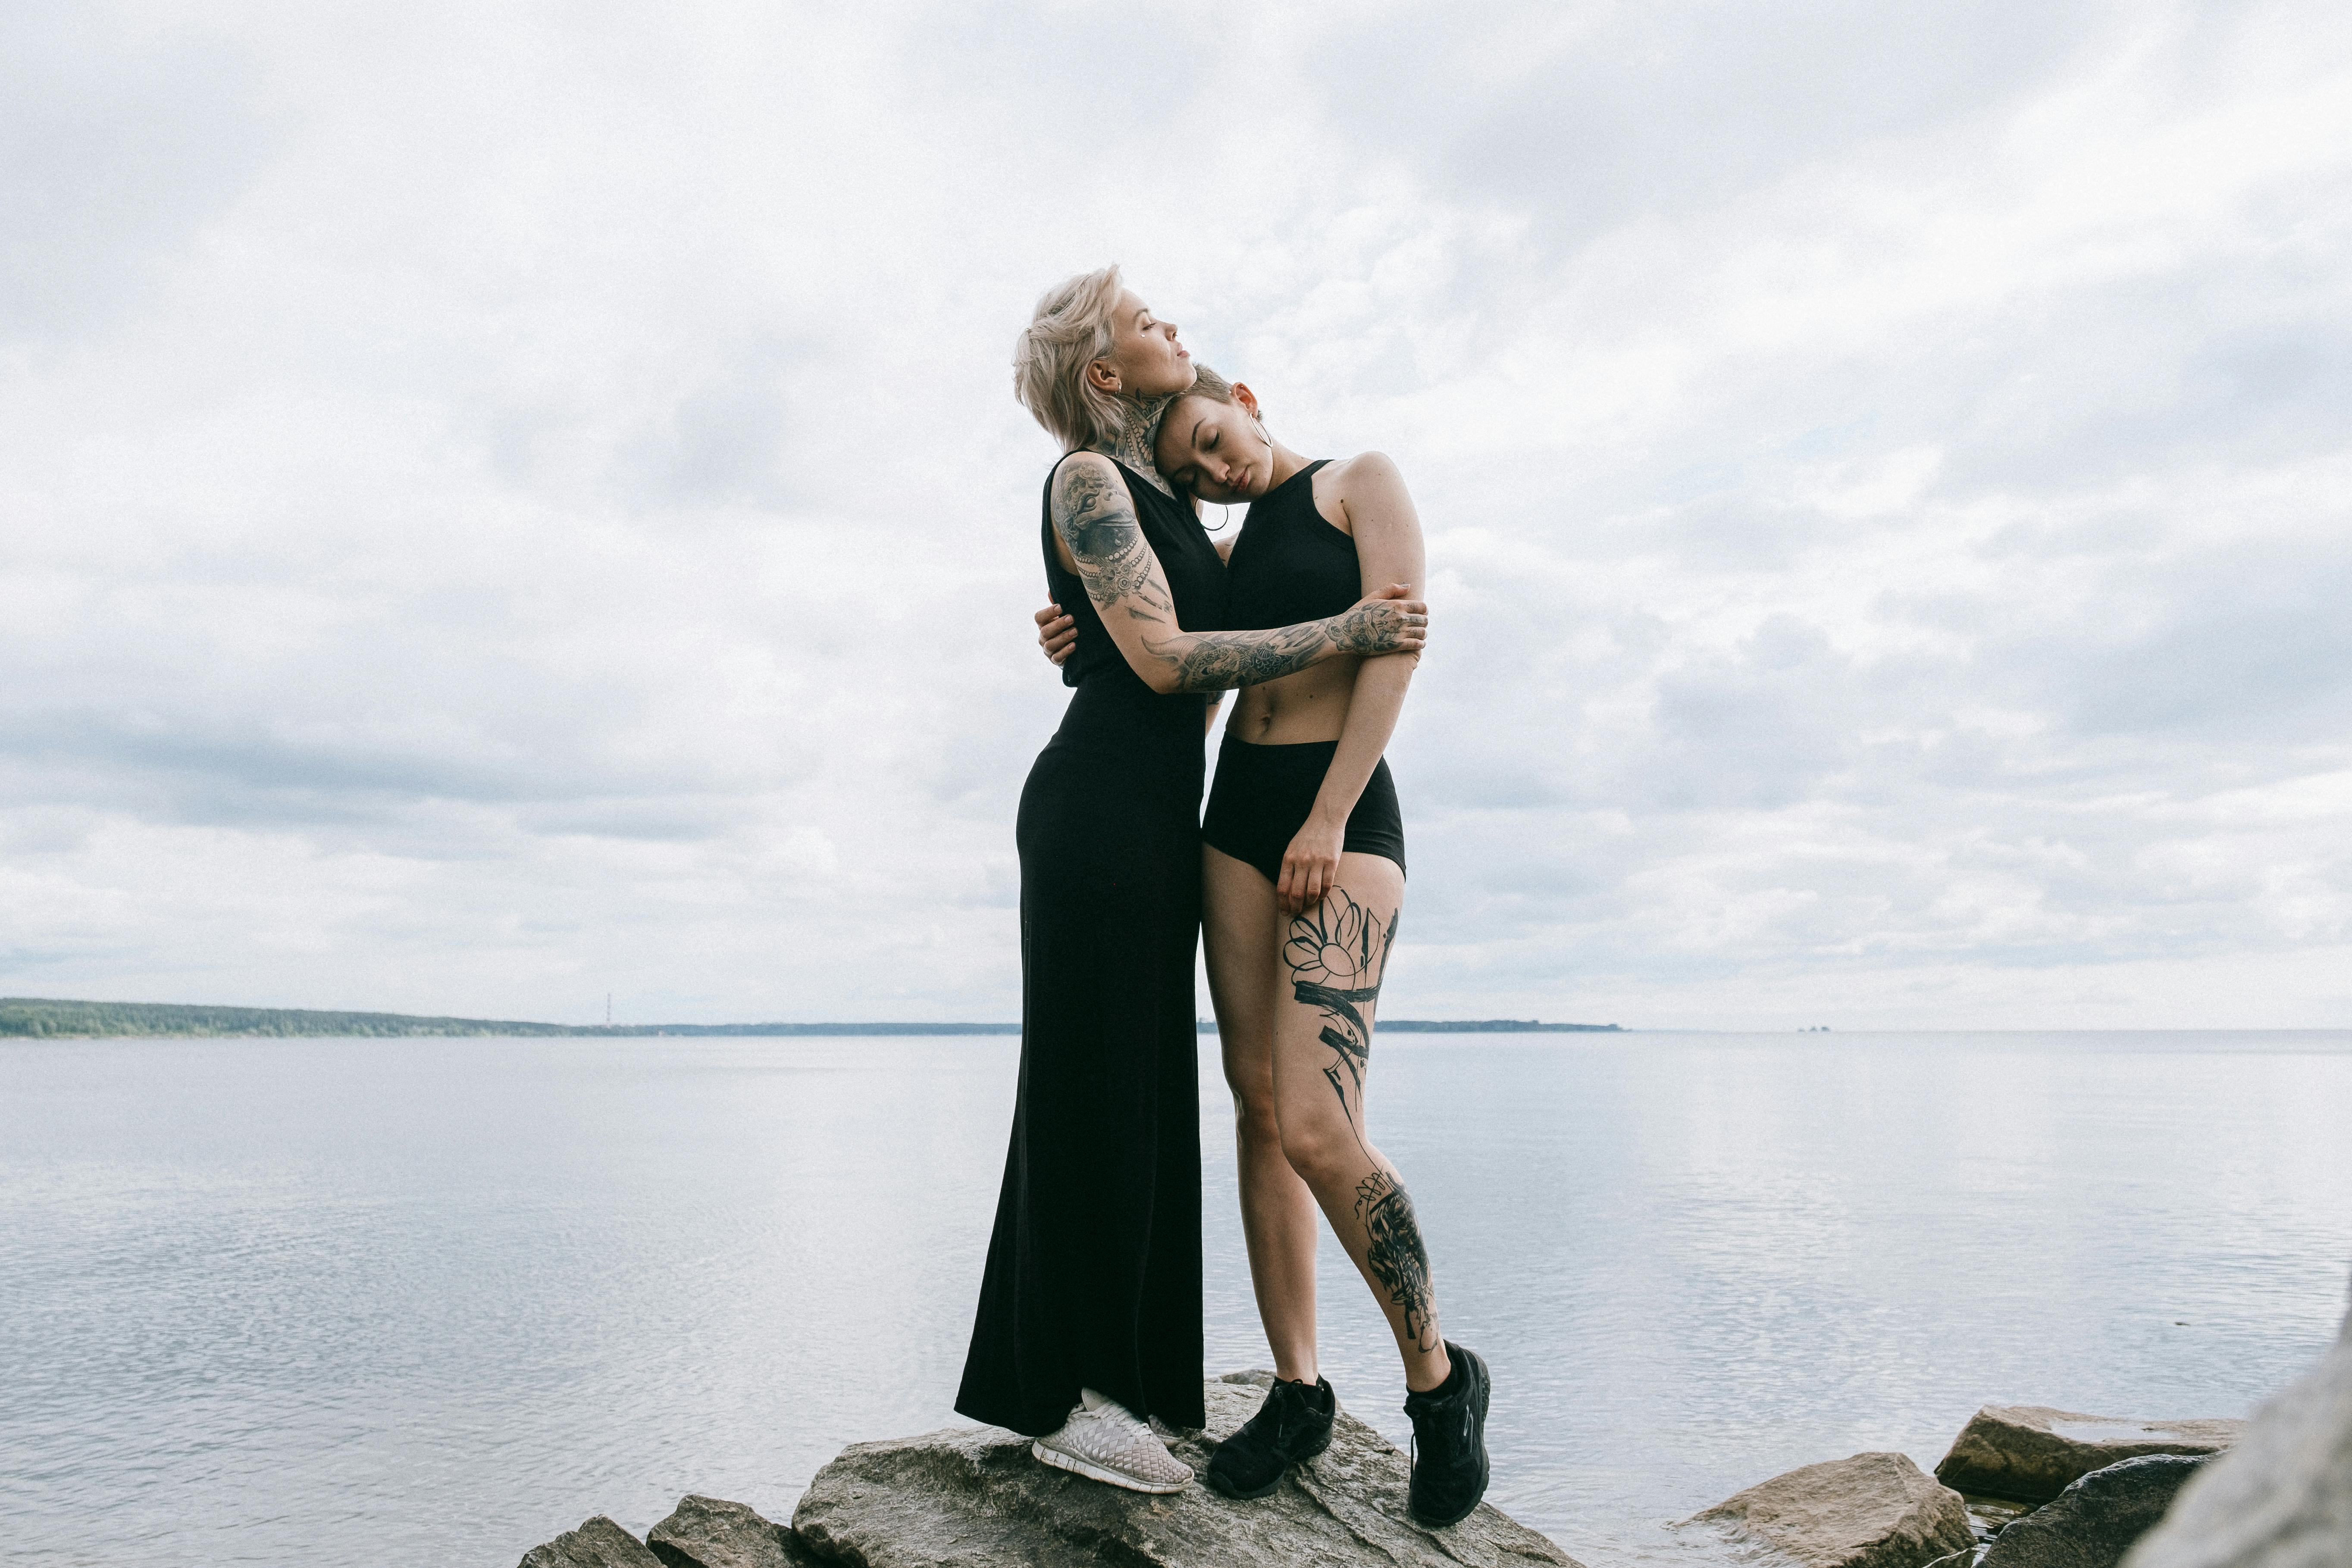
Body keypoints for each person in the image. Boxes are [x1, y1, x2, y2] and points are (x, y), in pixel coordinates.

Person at [956, 266, 1429, 1497]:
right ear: (1105, 373)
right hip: (1099, 818)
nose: (1174, 326)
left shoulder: (1160, 492)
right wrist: (1347, 632)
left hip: (1165, 823)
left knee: (1144, 1096)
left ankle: (1127, 1383)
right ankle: (1061, 1397)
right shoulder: (1086, 477)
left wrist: (1077, 634)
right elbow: (1167, 662)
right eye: (1145, 324)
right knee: (1087, 1088)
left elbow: (1145, 631)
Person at [1032, 364, 1491, 1527]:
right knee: (1252, 1104)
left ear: (1241, 393)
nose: (1212, 469)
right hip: (1233, 821)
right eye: (1189, 470)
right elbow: (1175, 648)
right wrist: (1078, 634)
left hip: (1337, 815)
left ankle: (1440, 1383)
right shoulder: (1226, 556)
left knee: (1320, 1123)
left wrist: (1330, 813)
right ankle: (1299, 1388)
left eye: (1209, 438)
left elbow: (1395, 647)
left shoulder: (1360, 480)